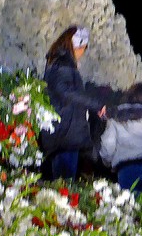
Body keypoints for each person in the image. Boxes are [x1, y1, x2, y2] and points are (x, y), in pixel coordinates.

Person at [39, 25, 108, 180]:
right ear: (77, 47)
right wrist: (96, 104)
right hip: (65, 133)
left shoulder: (60, 64)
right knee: (64, 185)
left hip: (66, 132)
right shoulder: (62, 65)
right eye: (83, 48)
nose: (82, 53)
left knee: (64, 185)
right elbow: (66, 93)